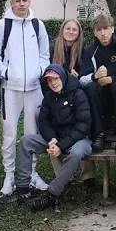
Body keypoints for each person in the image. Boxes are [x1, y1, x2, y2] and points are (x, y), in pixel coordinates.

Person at [0, 0, 51, 196]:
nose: (22, 4)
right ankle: (9, 176)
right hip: (10, 90)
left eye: (25, 0)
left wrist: (40, 72)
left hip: (34, 88)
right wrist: (6, 74)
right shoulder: (2, 25)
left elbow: (45, 54)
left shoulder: (37, 24)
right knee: (9, 133)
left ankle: (31, 173)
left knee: (32, 134)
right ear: (12, 2)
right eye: (18, 0)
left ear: (29, 1)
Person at [13, 65, 94, 210]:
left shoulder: (78, 94)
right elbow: (43, 120)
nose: (53, 83)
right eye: (49, 81)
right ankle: (23, 188)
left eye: (55, 79)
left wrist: (61, 146)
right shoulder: (49, 96)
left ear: (62, 77)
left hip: (79, 139)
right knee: (26, 142)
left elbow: (84, 125)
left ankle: (52, 194)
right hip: (57, 138)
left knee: (76, 153)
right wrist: (52, 139)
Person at [80, 14, 116, 152]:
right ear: (94, 32)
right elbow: (82, 79)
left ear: (112, 29)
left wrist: (112, 79)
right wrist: (95, 77)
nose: (103, 33)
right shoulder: (90, 50)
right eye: (99, 30)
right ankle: (98, 134)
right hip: (99, 96)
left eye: (106, 28)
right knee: (89, 87)